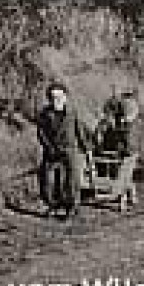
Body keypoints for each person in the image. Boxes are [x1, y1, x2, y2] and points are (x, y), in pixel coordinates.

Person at [36, 82, 91, 218]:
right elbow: (41, 133)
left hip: (70, 150)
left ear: (65, 97)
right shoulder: (44, 114)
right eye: (53, 97)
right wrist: (49, 147)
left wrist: (87, 149)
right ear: (49, 99)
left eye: (59, 97)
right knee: (46, 179)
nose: (56, 100)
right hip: (51, 150)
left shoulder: (72, 113)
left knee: (72, 180)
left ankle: (72, 208)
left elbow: (80, 132)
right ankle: (52, 205)